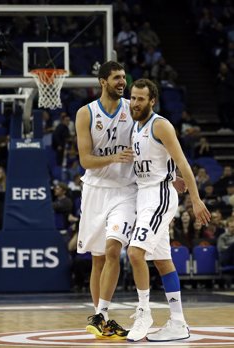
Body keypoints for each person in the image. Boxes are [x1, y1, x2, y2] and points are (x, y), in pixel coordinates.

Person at [126, 78, 211, 342]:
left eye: (141, 98)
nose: (135, 102)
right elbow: (158, 161)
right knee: (163, 262)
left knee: (135, 252)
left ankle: (144, 311)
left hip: (159, 197)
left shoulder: (160, 125)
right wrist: (171, 175)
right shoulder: (135, 127)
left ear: (152, 101)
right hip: (146, 196)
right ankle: (178, 322)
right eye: (133, 97)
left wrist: (195, 200)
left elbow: (182, 161)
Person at [75, 60, 136, 340]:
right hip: (95, 190)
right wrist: (114, 157)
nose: (122, 82)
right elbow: (85, 160)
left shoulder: (133, 110)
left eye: (123, 77)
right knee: (97, 259)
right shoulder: (85, 113)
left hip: (125, 190)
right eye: (116, 78)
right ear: (102, 81)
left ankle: (101, 313)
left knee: (113, 251)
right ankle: (104, 318)